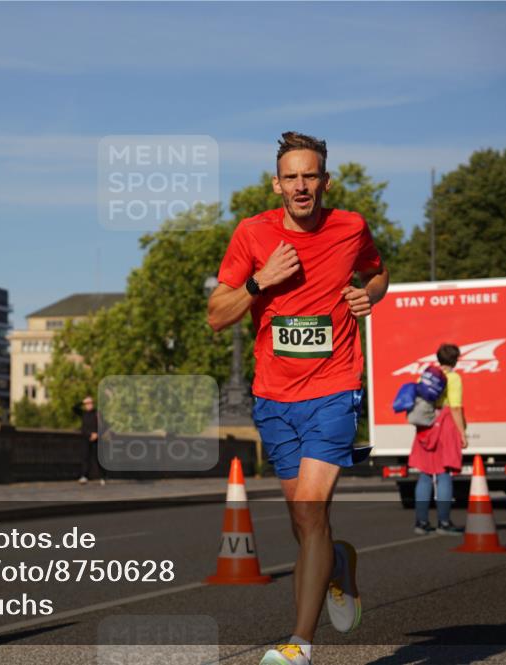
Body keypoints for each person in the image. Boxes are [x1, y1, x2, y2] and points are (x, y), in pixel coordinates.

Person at [208, 132, 389, 665]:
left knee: (310, 513)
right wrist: (260, 282)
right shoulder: (252, 233)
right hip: (273, 398)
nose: (302, 185)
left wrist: (368, 294)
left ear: (325, 181)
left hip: (335, 388)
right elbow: (217, 315)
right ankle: (336, 561)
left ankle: (299, 645)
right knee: (301, 521)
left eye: (311, 175)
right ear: (277, 184)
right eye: (292, 177)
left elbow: (378, 272)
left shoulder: (350, 227)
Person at [408, 343, 467, 535]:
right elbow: (456, 408)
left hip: (425, 426)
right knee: (444, 475)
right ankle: (443, 523)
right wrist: (462, 433)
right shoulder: (454, 378)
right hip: (445, 425)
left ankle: (421, 522)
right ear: (455, 360)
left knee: (425, 475)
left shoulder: (425, 376)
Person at [74, 395, 105, 486]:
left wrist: (97, 434)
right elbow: (74, 408)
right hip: (85, 438)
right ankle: (84, 476)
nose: (89, 405)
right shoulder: (83, 413)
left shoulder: (97, 413)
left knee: (98, 458)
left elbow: (104, 426)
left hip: (96, 438)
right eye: (87, 403)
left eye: (90, 403)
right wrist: (82, 402)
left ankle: (102, 476)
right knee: (85, 457)